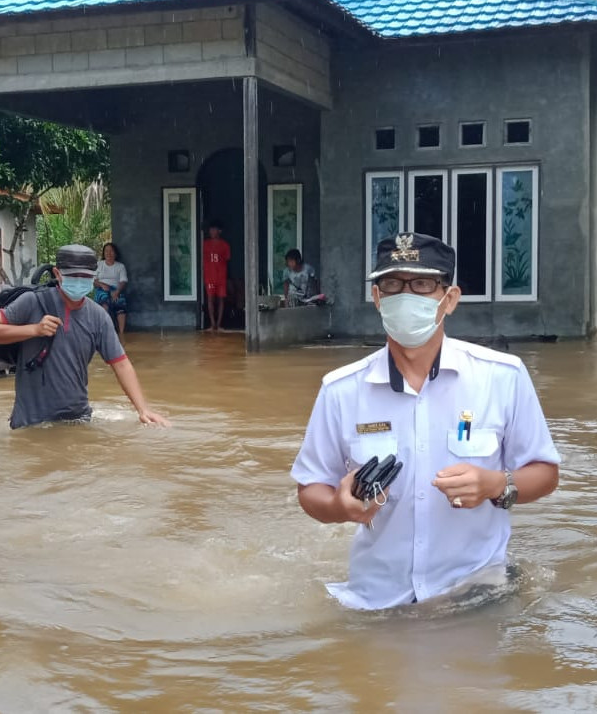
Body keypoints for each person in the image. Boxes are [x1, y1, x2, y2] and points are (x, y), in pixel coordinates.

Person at [291, 232, 561, 611]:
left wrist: (496, 484)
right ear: (377, 298)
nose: (406, 296)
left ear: (449, 299)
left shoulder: (502, 377)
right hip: (375, 600)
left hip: (475, 595)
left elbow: (546, 474)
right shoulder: (340, 391)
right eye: (391, 284)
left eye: (421, 284)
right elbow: (310, 489)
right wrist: (339, 506)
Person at [0, 244, 170, 429]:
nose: (79, 281)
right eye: (73, 276)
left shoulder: (98, 316)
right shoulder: (32, 302)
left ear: (93, 278)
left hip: (77, 419)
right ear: (57, 274)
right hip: (31, 421)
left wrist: (143, 409)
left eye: (85, 277)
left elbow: (120, 363)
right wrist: (34, 330)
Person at [93, 242, 129, 338]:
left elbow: (123, 281)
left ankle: (121, 333)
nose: (109, 253)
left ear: (115, 253)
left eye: (111, 251)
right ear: (104, 253)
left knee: (120, 302)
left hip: (116, 289)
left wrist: (117, 292)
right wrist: (101, 284)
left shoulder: (120, 266)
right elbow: (93, 280)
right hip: (101, 289)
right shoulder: (99, 264)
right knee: (104, 302)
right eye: (106, 251)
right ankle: (105, 332)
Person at [202, 221, 230, 332]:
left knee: (221, 300)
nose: (212, 231)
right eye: (211, 229)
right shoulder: (204, 244)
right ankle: (212, 324)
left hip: (221, 276)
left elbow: (227, 260)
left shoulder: (225, 245)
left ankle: (219, 324)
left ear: (220, 231)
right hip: (209, 275)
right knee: (210, 299)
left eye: (214, 229)